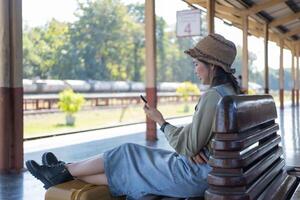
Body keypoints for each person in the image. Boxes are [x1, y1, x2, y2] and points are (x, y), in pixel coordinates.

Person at [26, 33, 241, 199]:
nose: (195, 70)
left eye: (196, 64)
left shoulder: (213, 96)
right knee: (128, 167)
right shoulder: (230, 93)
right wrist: (196, 146)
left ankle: (63, 169)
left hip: (195, 175)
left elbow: (187, 146)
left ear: (211, 66)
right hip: (211, 170)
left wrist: (161, 122)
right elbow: (195, 140)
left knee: (126, 153)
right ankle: (64, 171)